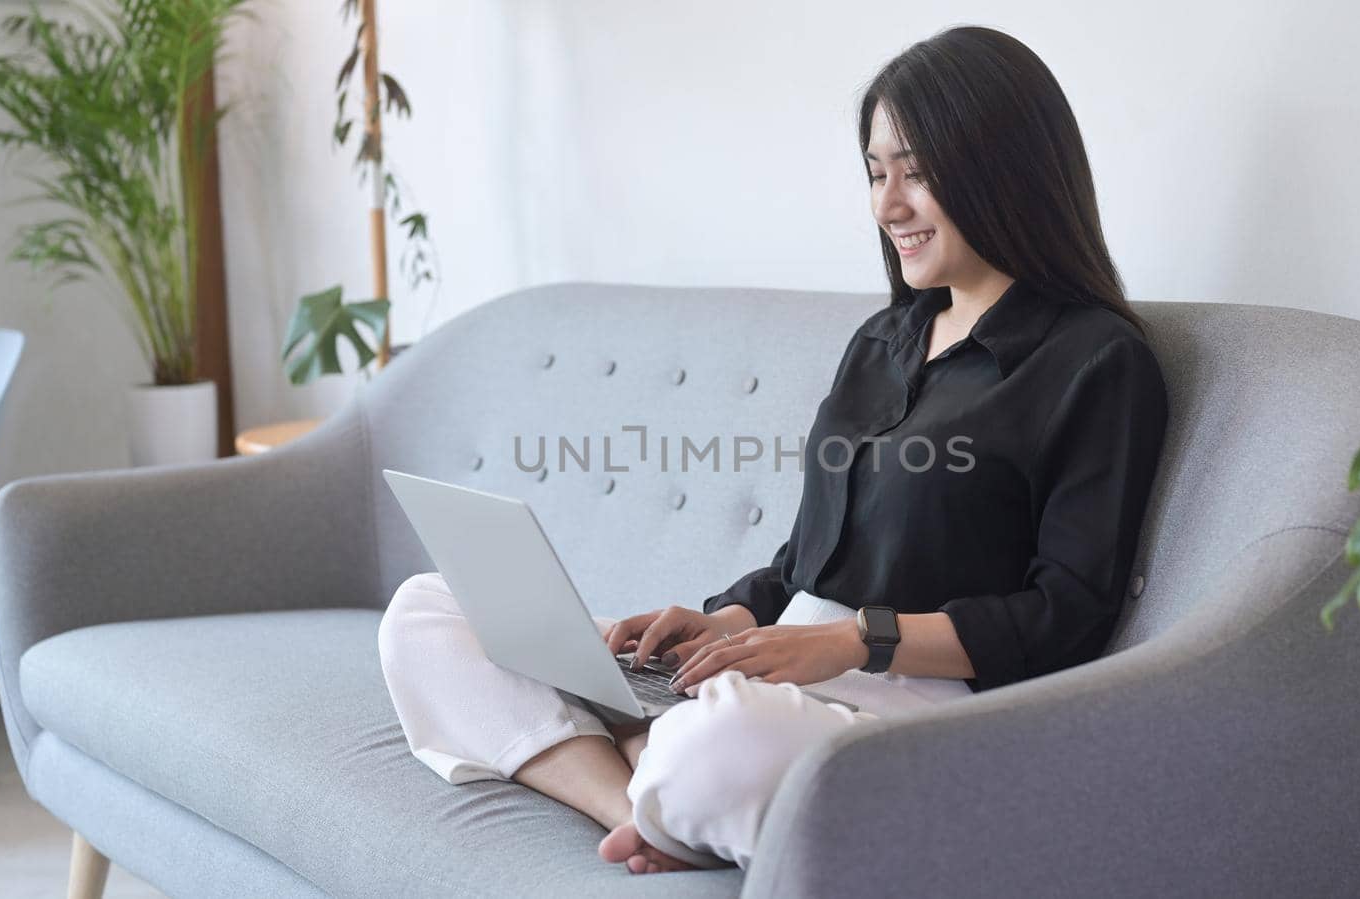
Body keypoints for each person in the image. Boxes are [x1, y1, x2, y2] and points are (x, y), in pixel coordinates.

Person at [377, 24, 1169, 876]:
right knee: (427, 610)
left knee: (722, 739)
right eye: (876, 174)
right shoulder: (886, 339)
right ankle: (638, 799)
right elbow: (807, 558)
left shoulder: (1097, 363)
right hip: (787, 665)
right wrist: (729, 618)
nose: (887, 205)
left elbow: (1069, 616)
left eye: (917, 172)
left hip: (920, 706)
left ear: (1003, 165)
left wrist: (854, 642)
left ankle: (656, 762)